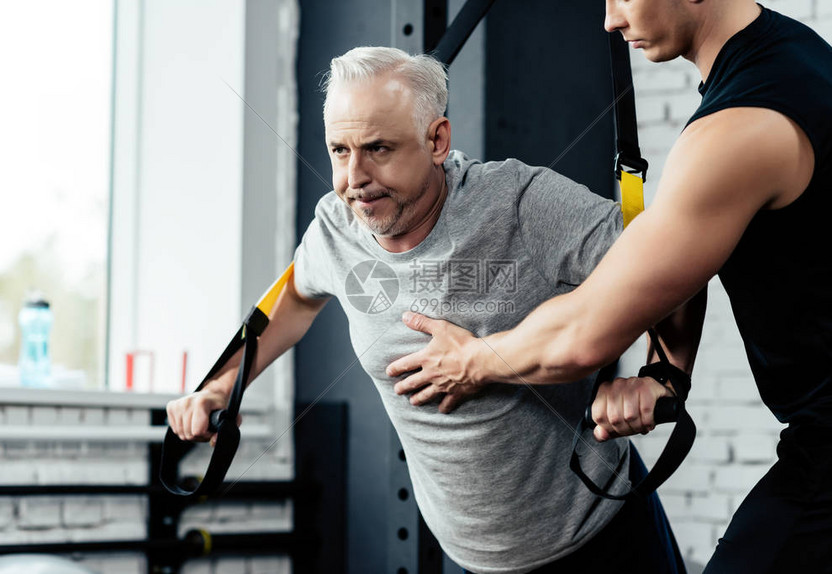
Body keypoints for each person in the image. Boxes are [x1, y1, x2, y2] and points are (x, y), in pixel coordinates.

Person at [167, 46, 688, 573]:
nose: (354, 178)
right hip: (472, 558)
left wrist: (659, 374)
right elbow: (296, 297)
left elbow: (671, 260)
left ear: (437, 140)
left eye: (378, 149)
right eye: (339, 151)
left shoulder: (517, 203)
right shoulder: (336, 227)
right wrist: (222, 385)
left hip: (601, 537)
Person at [387, 1, 832, 572]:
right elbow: (675, 268)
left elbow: (587, 332)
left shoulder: (741, 127)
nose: (609, 20)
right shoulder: (797, 60)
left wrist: (474, 361)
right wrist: (665, 373)